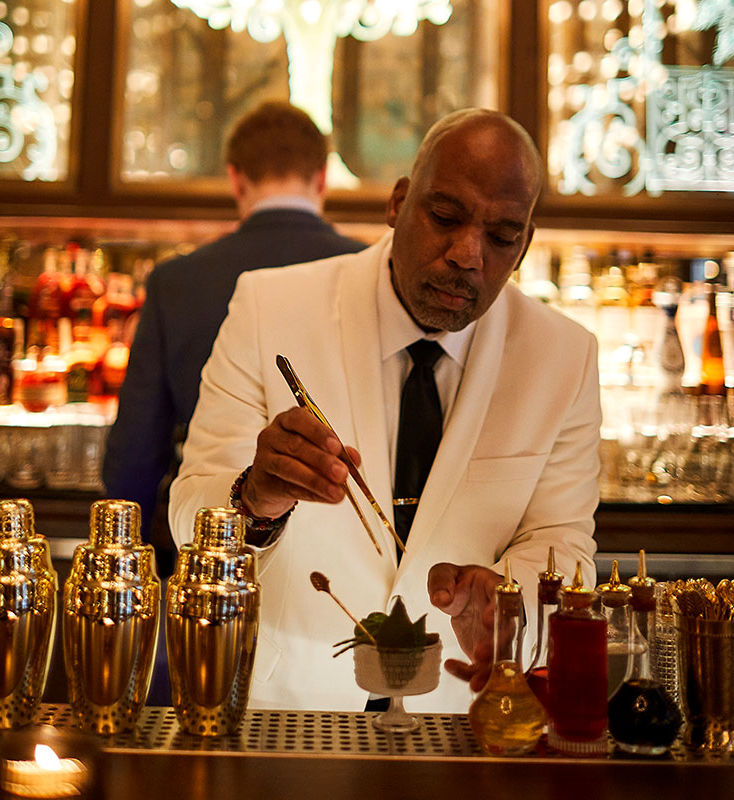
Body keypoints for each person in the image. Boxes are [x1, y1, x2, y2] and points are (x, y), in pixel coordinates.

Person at [169, 108, 601, 712]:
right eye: (445, 217)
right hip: (292, 715)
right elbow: (190, 518)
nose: (468, 254)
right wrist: (255, 498)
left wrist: (509, 597)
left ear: (525, 246)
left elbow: (562, 543)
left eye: (501, 237)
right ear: (399, 203)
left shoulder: (565, 356)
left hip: (460, 713)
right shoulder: (271, 307)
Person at [103, 101, 366, 565]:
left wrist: (129, 558)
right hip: (344, 552)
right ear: (322, 177)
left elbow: (138, 449)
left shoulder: (178, 280)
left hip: (211, 547)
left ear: (235, 178)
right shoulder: (369, 272)